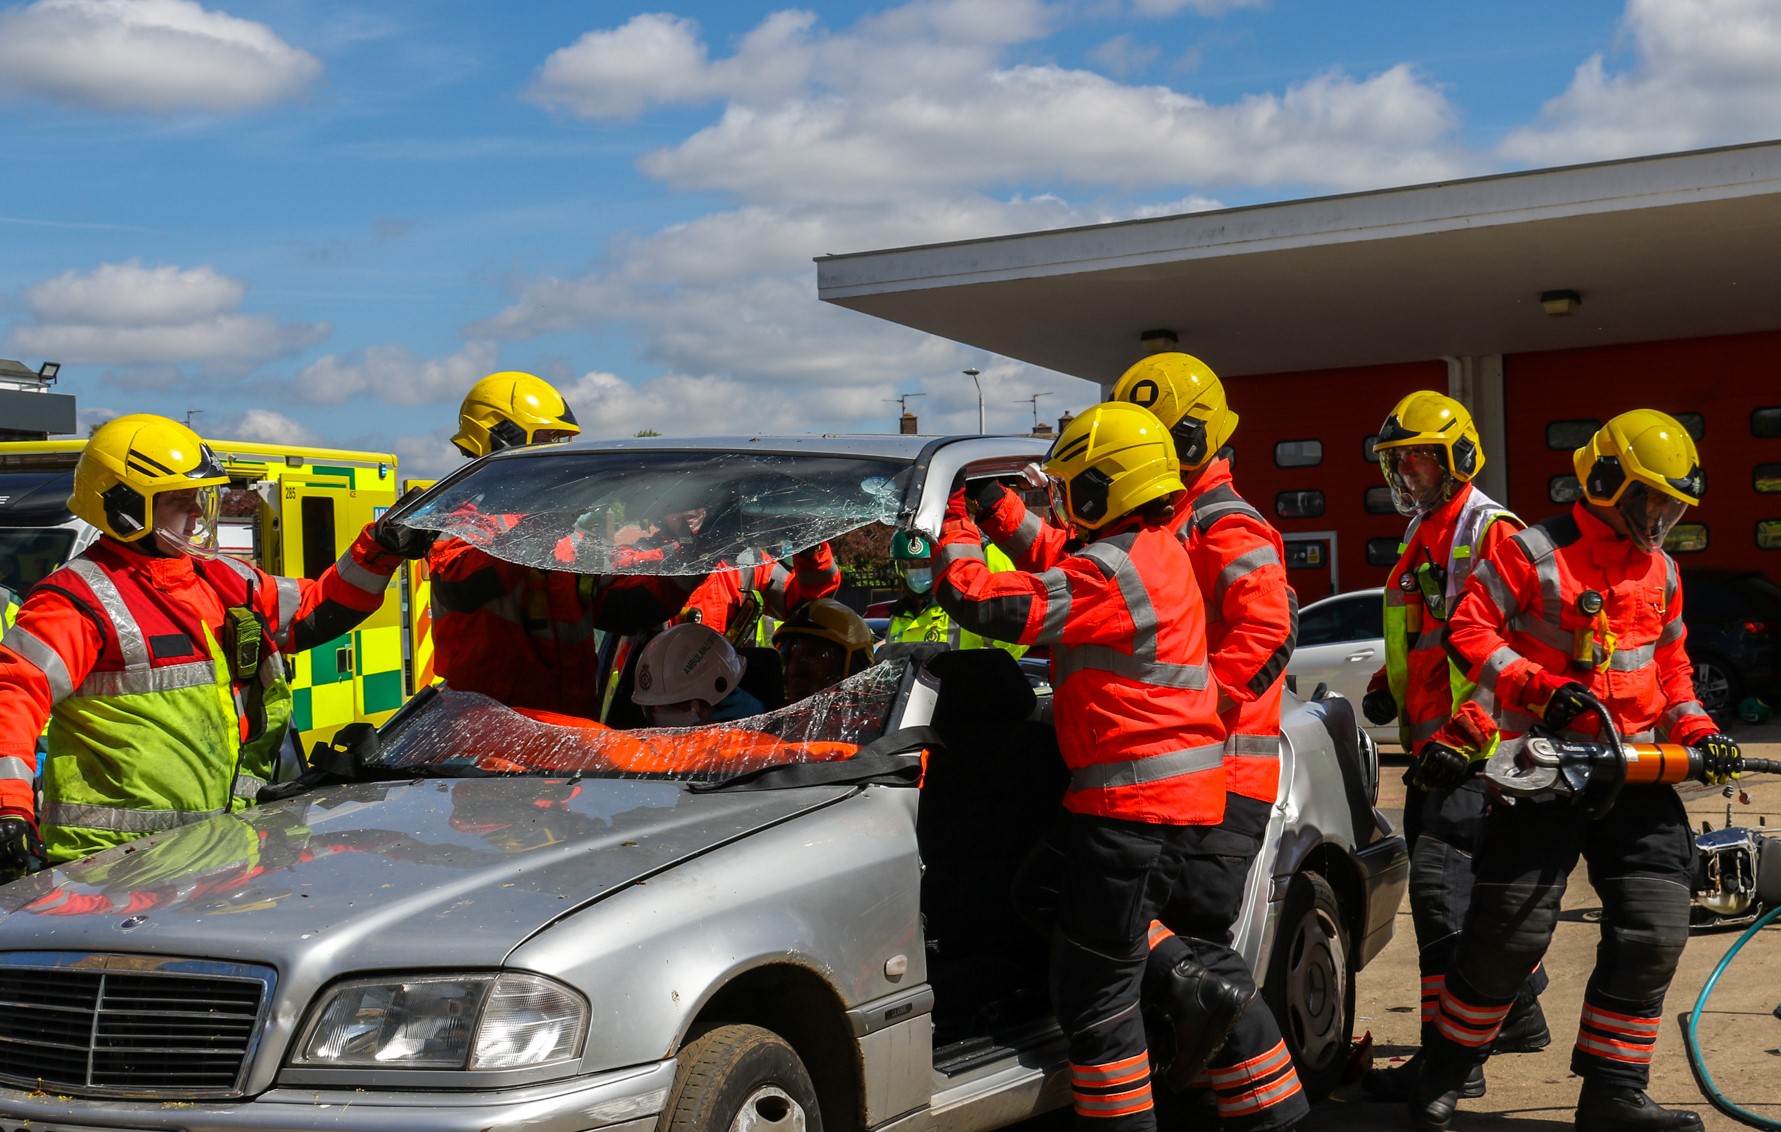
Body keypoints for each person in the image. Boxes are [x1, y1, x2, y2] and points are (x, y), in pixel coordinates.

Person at [974, 357, 1306, 1129]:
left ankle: (1264, 1111)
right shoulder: (1160, 515)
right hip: (1182, 778)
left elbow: (1270, 628)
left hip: (1213, 776)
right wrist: (1000, 517)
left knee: (1174, 961)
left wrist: (1196, 708)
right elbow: (1079, 566)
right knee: (1178, 961)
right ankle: (1271, 1112)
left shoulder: (1225, 522)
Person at [1411, 410, 1727, 1132]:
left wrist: (1700, 729)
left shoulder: (1663, 569)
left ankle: (1612, 1093)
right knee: (1507, 935)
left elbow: (1672, 668)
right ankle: (1446, 1069)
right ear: (1608, 481)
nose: (1662, 516)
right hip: (1540, 768)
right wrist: (1537, 689)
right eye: (1651, 499)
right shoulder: (1530, 551)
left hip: (1636, 770)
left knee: (1653, 929)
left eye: (1671, 504)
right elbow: (1467, 629)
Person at [0, 414, 424, 878]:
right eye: (180, 500)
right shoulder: (77, 601)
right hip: (116, 867)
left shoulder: (226, 579)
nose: (198, 513)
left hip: (224, 849)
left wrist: (380, 547)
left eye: (200, 497)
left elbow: (316, 610)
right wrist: (10, 810)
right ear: (125, 508)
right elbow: (13, 695)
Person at [1354, 391, 1547, 1102]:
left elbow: (1513, 643)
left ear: (1458, 459)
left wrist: (1468, 735)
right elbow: (1427, 630)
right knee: (1479, 896)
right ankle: (1519, 1014)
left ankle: (1449, 1064)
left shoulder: (1487, 530)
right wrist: (1384, 683)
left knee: (1440, 892)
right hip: (1439, 742)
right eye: (1398, 463)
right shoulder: (1426, 529)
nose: (1407, 475)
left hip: (1479, 745)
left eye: (1419, 462)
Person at [426, 372, 701, 720]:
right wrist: (546, 522)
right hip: (488, 733)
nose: (557, 451)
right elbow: (461, 586)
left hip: (567, 729)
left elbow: (627, 607)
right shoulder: (462, 518)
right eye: (547, 438)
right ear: (499, 438)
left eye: (560, 440)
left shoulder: (567, 536)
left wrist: (694, 552)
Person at [884, 530, 1025, 655]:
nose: (918, 572)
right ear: (898, 569)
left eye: (925, 564)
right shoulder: (899, 616)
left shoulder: (961, 608)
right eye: (910, 565)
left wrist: (982, 669)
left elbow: (1016, 632)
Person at [631, 622, 764, 726]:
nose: (660, 718)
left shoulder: (753, 753)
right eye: (654, 708)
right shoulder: (641, 752)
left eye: (676, 708)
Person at [772, 597, 877, 703]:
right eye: (792, 655)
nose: (797, 665)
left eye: (814, 655)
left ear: (854, 667)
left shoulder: (870, 716)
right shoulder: (770, 714)